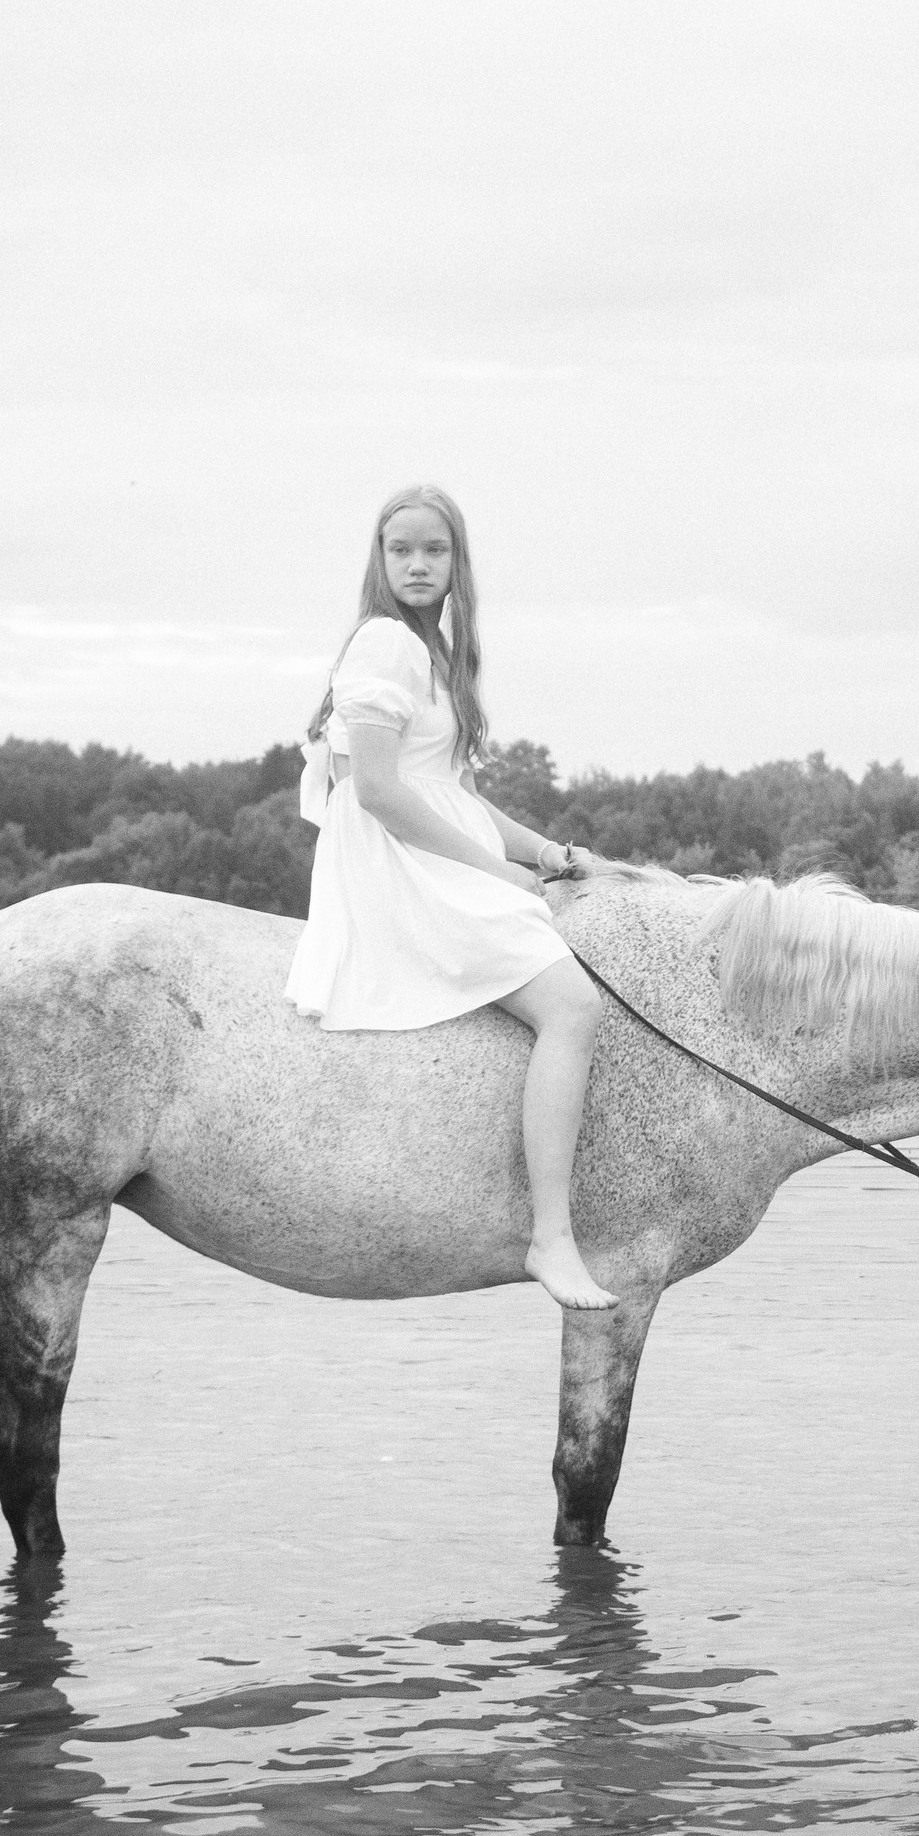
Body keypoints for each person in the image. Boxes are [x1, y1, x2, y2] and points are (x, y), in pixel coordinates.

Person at [285, 483, 616, 1312]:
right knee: (573, 1007)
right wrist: (494, 875)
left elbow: (454, 792)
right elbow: (383, 796)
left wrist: (548, 853)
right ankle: (551, 1237)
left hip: (434, 843)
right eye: (403, 550)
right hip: (395, 860)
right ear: (380, 559)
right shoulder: (385, 646)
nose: (419, 564)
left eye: (435, 550)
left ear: (457, 563)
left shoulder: (437, 655)